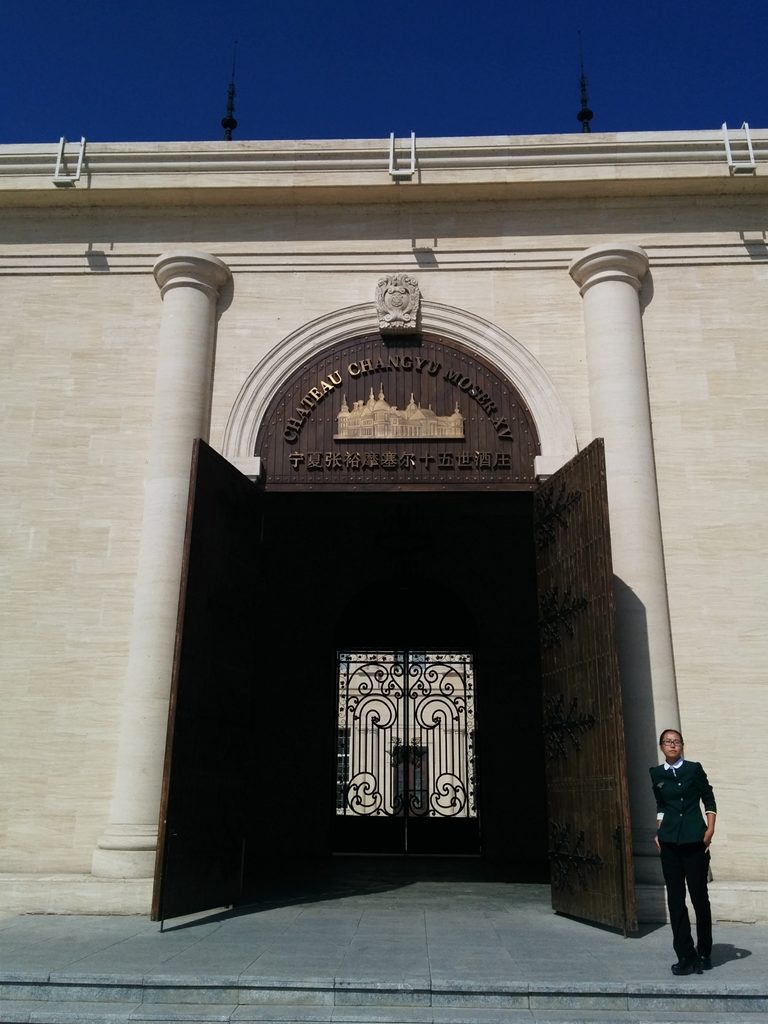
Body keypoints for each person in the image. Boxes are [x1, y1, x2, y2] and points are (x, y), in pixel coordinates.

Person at [650, 728, 717, 975]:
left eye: (676, 741)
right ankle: (685, 954)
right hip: (669, 843)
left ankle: (704, 952)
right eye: (668, 741)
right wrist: (659, 831)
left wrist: (710, 829)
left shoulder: (693, 769)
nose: (672, 745)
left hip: (694, 841)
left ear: (682, 746)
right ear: (661, 746)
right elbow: (661, 805)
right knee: (676, 900)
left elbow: (708, 798)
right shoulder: (656, 773)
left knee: (699, 898)